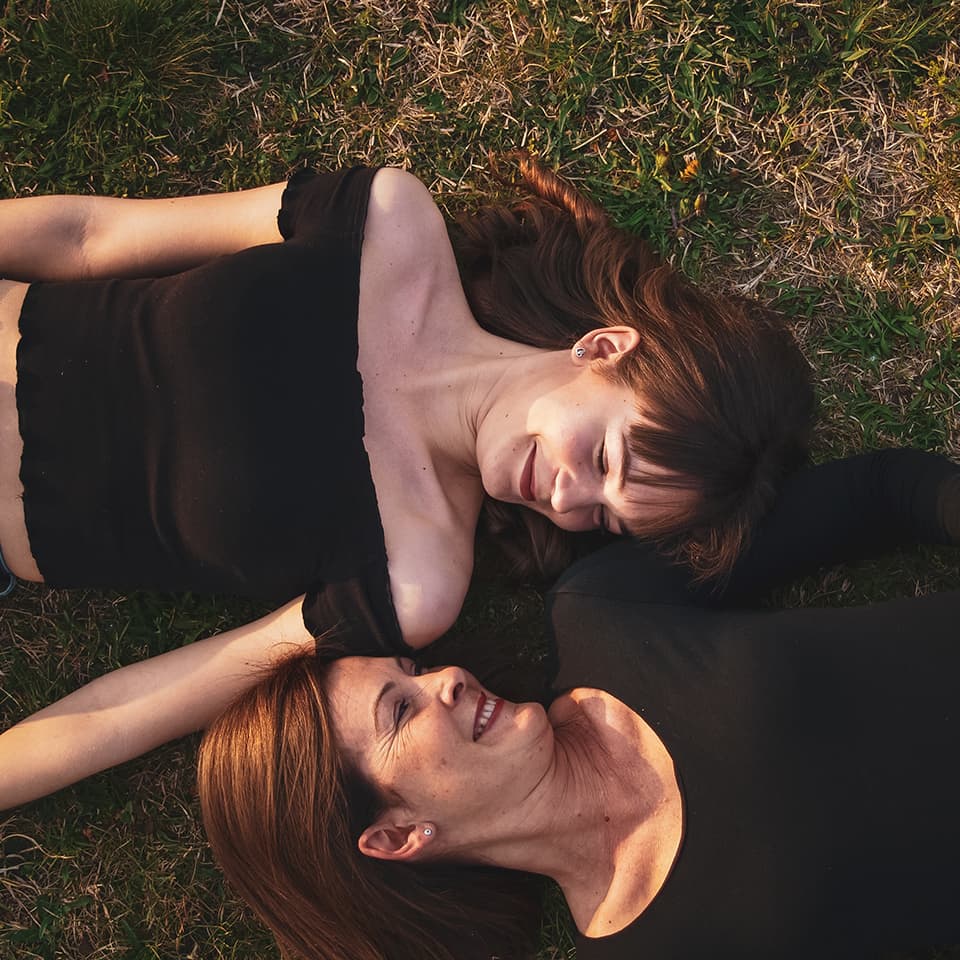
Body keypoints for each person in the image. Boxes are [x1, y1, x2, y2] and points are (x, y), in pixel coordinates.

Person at [0, 157, 812, 806]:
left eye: (603, 521)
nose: (567, 501)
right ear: (603, 349)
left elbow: (141, 708)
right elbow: (88, 235)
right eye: (604, 460)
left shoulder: (416, 579)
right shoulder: (388, 224)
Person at [198, 448, 960, 960]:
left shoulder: (602, 614)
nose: (448, 678)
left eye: (416, 668)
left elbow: (879, 494)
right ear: (397, 836)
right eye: (401, 711)